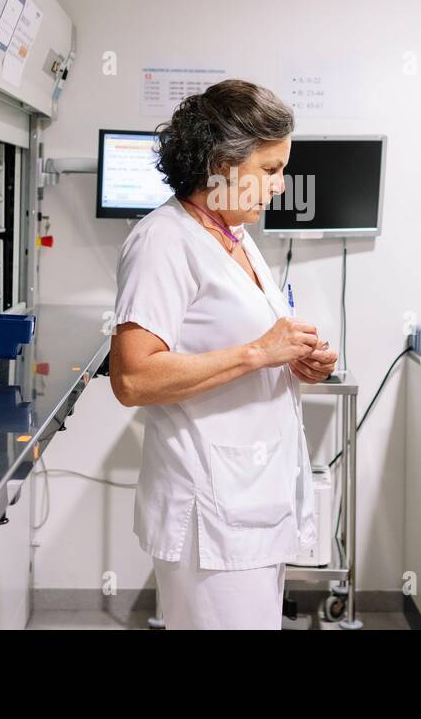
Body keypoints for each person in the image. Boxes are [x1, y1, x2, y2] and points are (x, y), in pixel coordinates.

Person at [109, 79, 339, 629]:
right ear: (221, 162)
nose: (280, 187)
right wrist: (261, 352)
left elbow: (237, 343)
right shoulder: (164, 240)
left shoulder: (232, 235)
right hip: (209, 510)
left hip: (250, 499)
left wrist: (293, 359)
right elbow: (132, 378)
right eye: (269, 169)